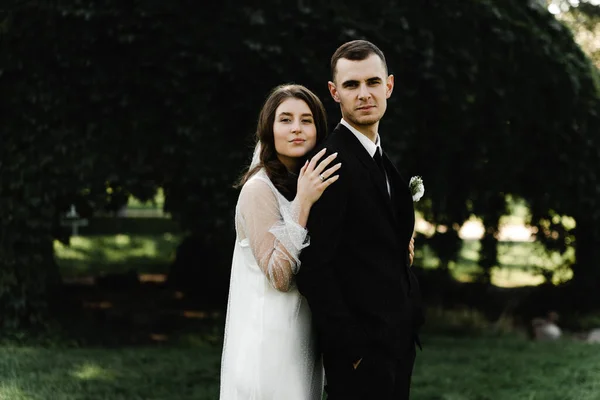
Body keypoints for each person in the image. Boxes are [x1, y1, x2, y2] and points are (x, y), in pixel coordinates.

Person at [296, 40, 425, 400]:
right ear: (334, 93)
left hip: (397, 340)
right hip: (362, 354)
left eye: (373, 82)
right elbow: (313, 266)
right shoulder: (330, 162)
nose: (364, 94)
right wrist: (353, 350)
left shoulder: (379, 156)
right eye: (352, 85)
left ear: (389, 86)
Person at [219, 83, 341, 399]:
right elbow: (280, 276)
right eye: (285, 119)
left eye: (306, 120)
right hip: (268, 348)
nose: (296, 128)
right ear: (269, 129)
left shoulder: (307, 182)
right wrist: (302, 202)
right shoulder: (258, 190)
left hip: (301, 339)